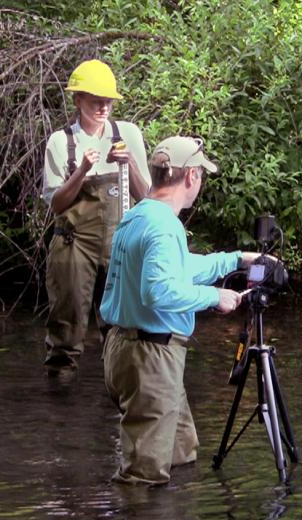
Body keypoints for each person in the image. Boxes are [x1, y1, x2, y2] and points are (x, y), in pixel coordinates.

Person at [99, 136, 263, 485]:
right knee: (143, 479)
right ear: (191, 176)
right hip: (150, 358)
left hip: (126, 349)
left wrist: (235, 260)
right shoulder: (163, 225)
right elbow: (159, 291)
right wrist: (214, 297)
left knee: (181, 455)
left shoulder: (139, 215)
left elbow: (176, 267)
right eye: (201, 174)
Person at [41, 59, 151, 376]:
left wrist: (128, 162)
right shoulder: (62, 142)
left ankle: (118, 405)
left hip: (119, 245)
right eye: (96, 101)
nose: (103, 108)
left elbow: (147, 197)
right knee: (67, 325)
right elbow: (57, 205)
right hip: (74, 245)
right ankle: (58, 404)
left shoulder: (127, 133)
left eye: (108, 101)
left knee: (122, 330)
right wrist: (82, 172)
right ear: (77, 100)